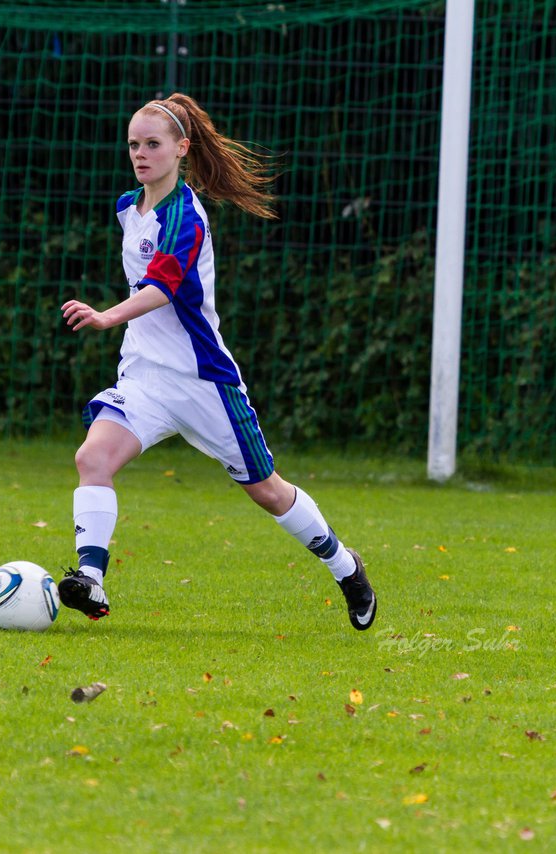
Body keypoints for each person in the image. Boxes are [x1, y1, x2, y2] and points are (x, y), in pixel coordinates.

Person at [59, 93, 377, 631]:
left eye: (153, 144)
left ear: (181, 148)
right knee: (92, 459)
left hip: (204, 382)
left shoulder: (187, 215)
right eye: (134, 144)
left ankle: (345, 567)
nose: (141, 153)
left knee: (268, 491)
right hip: (144, 377)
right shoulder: (126, 208)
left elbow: (162, 287)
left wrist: (107, 316)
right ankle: (91, 579)